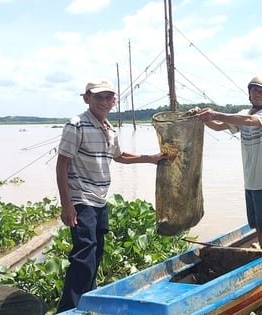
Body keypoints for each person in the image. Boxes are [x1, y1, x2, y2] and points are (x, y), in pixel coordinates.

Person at [55, 79, 165, 312]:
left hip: (100, 199)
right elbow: (62, 164)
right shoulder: (76, 125)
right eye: (98, 97)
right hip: (81, 198)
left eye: (108, 97)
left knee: (96, 252)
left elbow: (119, 155)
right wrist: (67, 205)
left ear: (114, 101)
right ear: (86, 98)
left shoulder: (109, 128)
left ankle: (87, 301)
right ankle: (68, 309)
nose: (104, 102)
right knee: (84, 254)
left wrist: (151, 158)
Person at [197, 75, 262, 249]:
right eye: (255, 90)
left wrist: (215, 113)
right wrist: (203, 118)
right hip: (250, 180)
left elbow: (250, 121)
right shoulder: (243, 113)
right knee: (257, 224)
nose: (258, 94)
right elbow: (219, 126)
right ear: (249, 93)